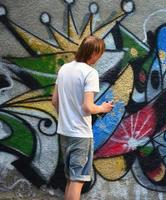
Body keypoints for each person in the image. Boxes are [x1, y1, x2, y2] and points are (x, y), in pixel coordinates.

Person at [52, 35, 113, 200]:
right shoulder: (90, 73)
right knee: (77, 181)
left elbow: (55, 100)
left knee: (71, 180)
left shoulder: (64, 69)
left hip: (64, 132)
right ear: (93, 53)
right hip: (80, 134)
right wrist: (103, 108)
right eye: (99, 54)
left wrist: (66, 117)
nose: (99, 58)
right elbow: (88, 106)